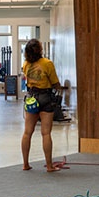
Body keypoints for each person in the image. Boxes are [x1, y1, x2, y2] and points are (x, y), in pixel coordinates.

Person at [21, 39, 62, 172]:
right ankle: (49, 166)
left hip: (31, 98)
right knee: (46, 133)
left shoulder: (26, 64)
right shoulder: (47, 63)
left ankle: (25, 164)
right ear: (40, 50)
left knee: (27, 132)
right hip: (45, 97)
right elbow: (55, 82)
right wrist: (58, 87)